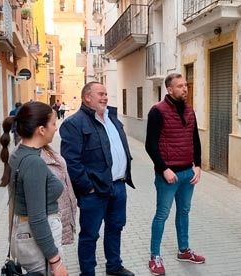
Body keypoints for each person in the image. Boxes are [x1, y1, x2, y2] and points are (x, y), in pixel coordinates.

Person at [60, 82, 135, 276]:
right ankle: (87, 273)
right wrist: (87, 187)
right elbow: (71, 161)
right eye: (100, 94)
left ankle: (114, 266)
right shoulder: (74, 123)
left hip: (118, 186)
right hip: (94, 191)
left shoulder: (113, 119)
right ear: (87, 97)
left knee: (115, 227)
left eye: (106, 94)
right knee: (89, 235)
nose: (105, 97)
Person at [0, 101, 69, 276]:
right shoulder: (33, 162)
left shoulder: (19, 153)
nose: (56, 128)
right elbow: (37, 218)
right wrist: (56, 262)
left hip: (26, 236)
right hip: (37, 242)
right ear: (41, 130)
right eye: (53, 123)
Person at [145, 73, 204, 276]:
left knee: (184, 212)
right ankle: (155, 256)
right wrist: (164, 169)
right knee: (162, 214)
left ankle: (184, 250)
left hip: (188, 172)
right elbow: (150, 145)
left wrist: (198, 166)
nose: (185, 89)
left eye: (185, 85)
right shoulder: (157, 111)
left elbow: (195, 140)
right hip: (168, 175)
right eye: (180, 86)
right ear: (170, 90)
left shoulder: (189, 111)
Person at [41, 144, 77, 246]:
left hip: (56, 221)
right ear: (41, 129)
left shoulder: (46, 149)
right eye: (53, 126)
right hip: (47, 228)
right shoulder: (31, 158)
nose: (55, 129)